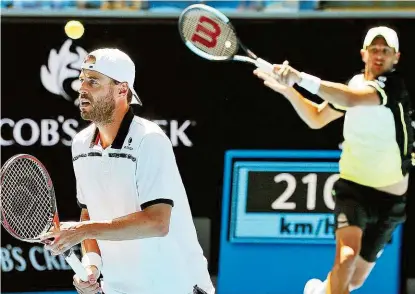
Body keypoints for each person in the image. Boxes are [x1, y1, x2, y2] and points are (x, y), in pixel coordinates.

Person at [253, 26, 413, 294]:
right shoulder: (353, 85)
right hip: (354, 190)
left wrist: (299, 78)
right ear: (363, 54)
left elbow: (350, 99)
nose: (379, 55)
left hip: (391, 203)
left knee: (353, 281)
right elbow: (316, 117)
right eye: (374, 49)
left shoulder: (393, 88)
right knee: (346, 257)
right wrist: (288, 90)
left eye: (386, 51)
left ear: (396, 57)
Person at [41, 48, 215, 294]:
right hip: (119, 288)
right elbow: (89, 211)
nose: (82, 88)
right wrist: (92, 266)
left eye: (93, 82)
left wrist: (82, 231)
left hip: (177, 286)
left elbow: (157, 223)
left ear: (122, 90)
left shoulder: (149, 139)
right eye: (81, 80)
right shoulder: (80, 144)